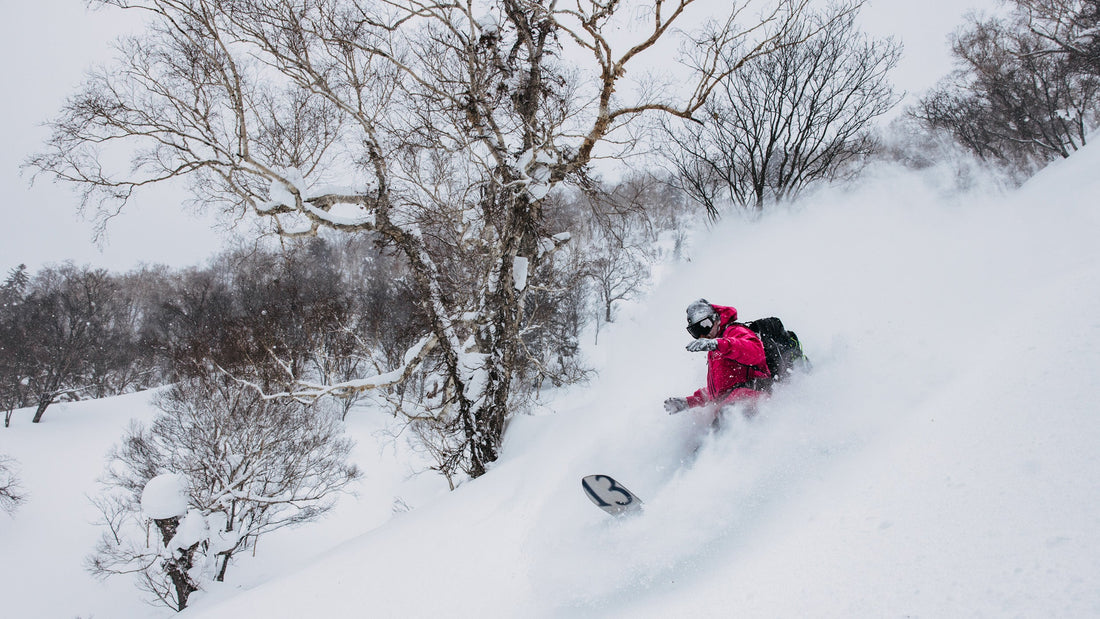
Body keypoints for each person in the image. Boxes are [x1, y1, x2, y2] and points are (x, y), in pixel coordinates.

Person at [664, 299, 770, 416]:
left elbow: (756, 353)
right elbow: (718, 392)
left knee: (726, 416)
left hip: (751, 399)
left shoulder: (733, 332)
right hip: (732, 405)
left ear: (716, 319)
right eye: (696, 331)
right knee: (719, 421)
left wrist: (719, 344)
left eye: (705, 326)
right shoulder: (715, 351)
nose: (702, 335)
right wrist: (689, 402)